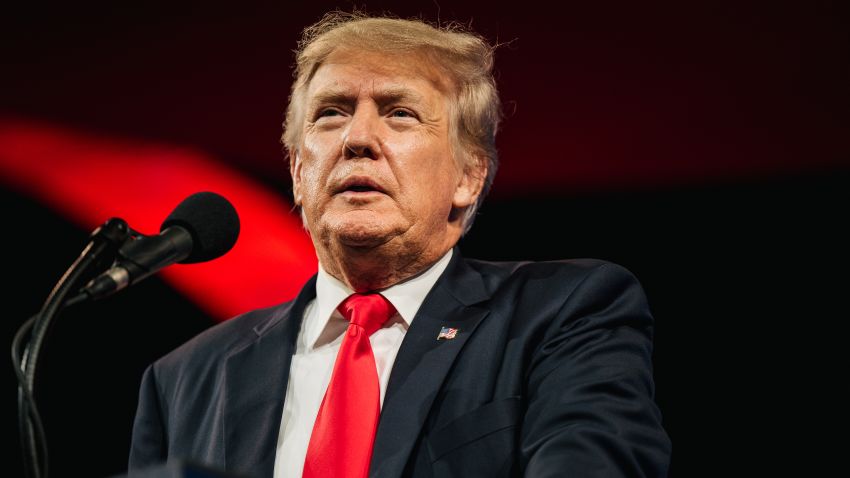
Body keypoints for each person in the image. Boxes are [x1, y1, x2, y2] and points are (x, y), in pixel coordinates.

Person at [128, 11, 671, 478]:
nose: (357, 139)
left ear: (469, 176)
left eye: (399, 113)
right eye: (331, 113)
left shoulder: (562, 312)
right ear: (297, 171)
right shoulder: (185, 377)